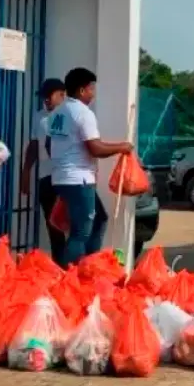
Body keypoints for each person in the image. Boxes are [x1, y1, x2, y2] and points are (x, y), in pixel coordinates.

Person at [47, 67, 133, 267]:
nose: (93, 94)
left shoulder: (58, 112)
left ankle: (90, 267)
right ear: (81, 90)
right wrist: (122, 147)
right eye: (91, 89)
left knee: (99, 219)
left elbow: (51, 145)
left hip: (63, 178)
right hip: (79, 179)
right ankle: (67, 275)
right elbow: (95, 148)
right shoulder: (83, 113)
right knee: (80, 232)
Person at [20, 78, 67, 262]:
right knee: (53, 227)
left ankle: (71, 267)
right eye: (44, 96)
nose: (46, 100)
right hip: (46, 178)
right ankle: (60, 266)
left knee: (73, 227)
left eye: (50, 96)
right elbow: (34, 145)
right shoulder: (39, 117)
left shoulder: (69, 116)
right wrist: (26, 172)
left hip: (65, 178)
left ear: (62, 95)